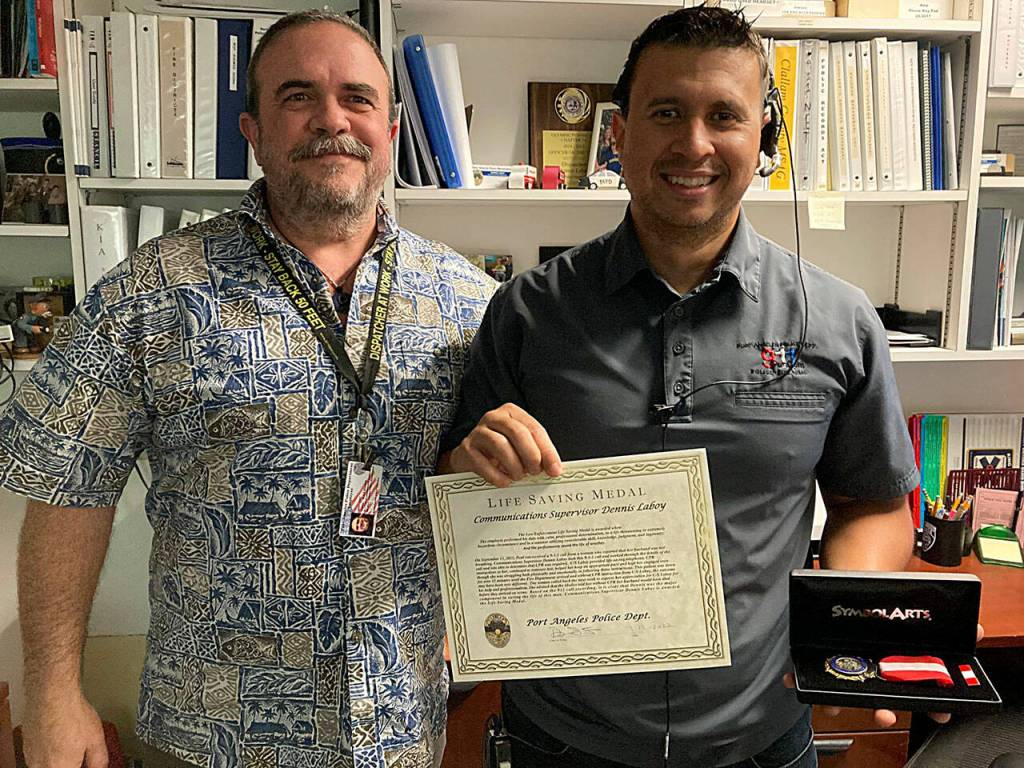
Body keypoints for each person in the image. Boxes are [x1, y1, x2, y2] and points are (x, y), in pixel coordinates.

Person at [0, 11, 495, 768]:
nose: (332, 119)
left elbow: (495, 492)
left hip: (402, 731)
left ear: (391, 129)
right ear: (253, 132)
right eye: (299, 96)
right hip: (213, 734)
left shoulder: (472, 304)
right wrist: (52, 692)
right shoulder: (149, 294)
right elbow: (68, 488)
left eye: (357, 98)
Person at [440, 7, 922, 767]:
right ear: (619, 136)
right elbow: (458, 494)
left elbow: (873, 504)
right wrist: (470, 465)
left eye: (724, 116)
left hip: (761, 738)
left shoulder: (838, 319)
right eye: (666, 112)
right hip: (563, 739)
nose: (694, 144)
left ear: (763, 139)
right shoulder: (529, 312)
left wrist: (844, 623)